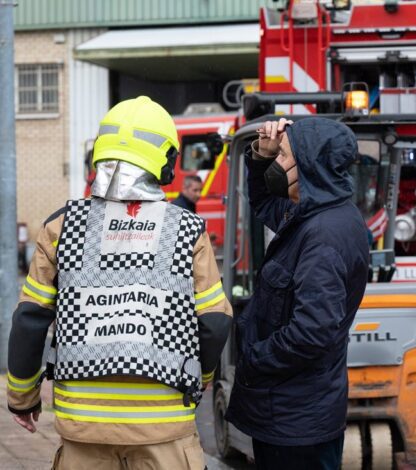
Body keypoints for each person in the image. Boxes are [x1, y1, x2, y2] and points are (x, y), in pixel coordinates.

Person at [6, 96, 232, 469]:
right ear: (167, 160)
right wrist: (199, 379)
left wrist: (22, 398)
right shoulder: (186, 229)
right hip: (165, 428)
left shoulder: (61, 226)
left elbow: (30, 318)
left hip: (84, 425)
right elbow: (215, 321)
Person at [225, 117, 369, 469]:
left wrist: (255, 357)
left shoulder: (322, 236)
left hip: (294, 420)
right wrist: (261, 154)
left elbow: (312, 332)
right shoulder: (319, 214)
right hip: (298, 412)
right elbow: (263, 203)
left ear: (309, 165)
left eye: (285, 156)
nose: (279, 163)